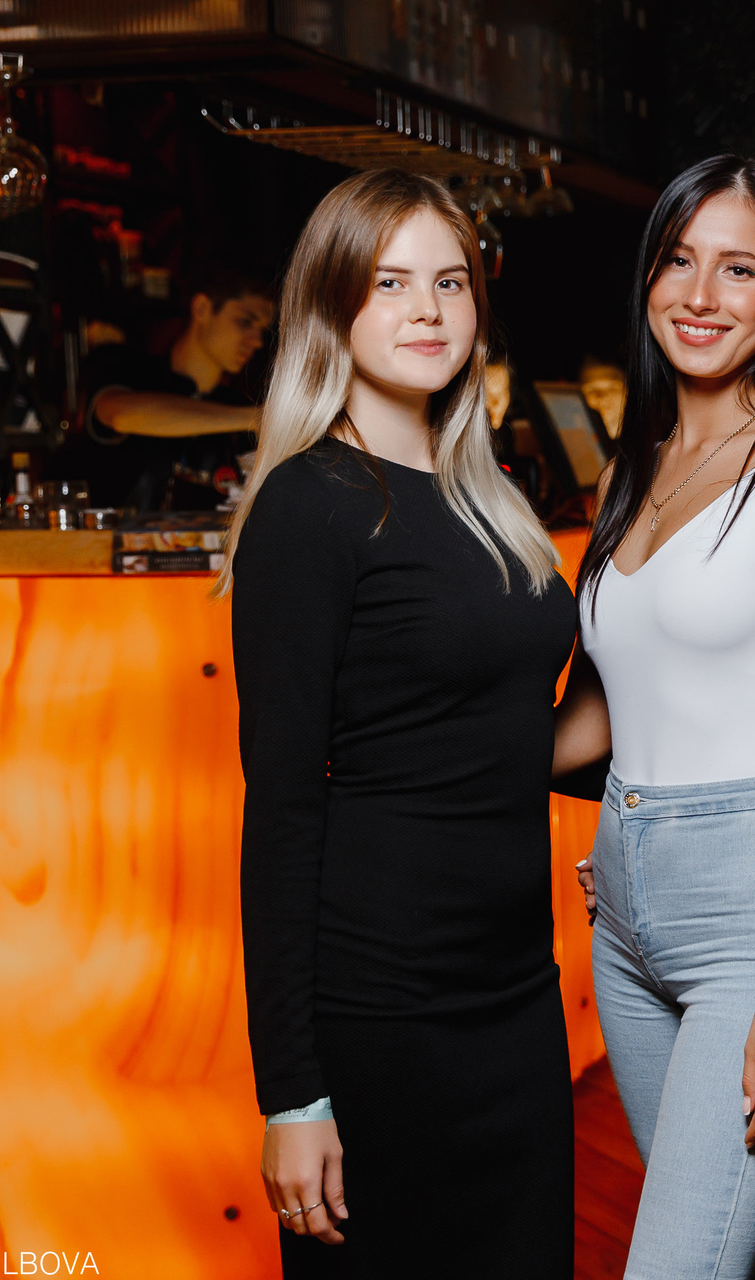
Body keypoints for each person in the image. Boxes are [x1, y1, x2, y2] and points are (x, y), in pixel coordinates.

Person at [223, 169, 573, 1277]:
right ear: (330, 305)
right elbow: (282, 811)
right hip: (381, 1015)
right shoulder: (309, 505)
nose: (427, 309)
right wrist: (292, 1093)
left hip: (515, 1001)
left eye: (450, 282)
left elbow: (511, 734)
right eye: (389, 282)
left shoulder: (490, 499)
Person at [554, 155, 755, 1278]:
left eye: (739, 269)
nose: (700, 295)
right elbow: (604, 715)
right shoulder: (635, 469)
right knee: (723, 1253)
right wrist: (415, 754)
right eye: (678, 261)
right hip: (623, 902)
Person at [76, 263, 273, 509]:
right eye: (245, 322)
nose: (257, 341)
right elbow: (120, 414)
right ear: (202, 308)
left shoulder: (239, 404)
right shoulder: (125, 368)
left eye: (262, 331)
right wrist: (257, 418)